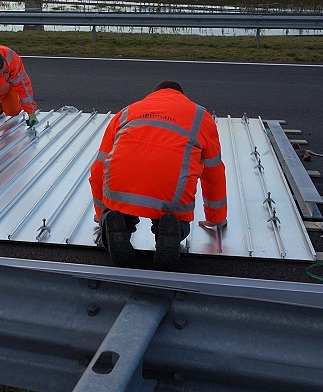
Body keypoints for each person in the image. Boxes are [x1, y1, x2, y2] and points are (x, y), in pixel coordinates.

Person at [89, 81, 226, 270]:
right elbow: (213, 172)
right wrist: (216, 217)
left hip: (121, 187)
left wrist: (101, 214)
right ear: (182, 95)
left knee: (116, 212)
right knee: (173, 215)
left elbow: (98, 168)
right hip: (171, 193)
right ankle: (171, 229)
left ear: (153, 94)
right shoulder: (201, 116)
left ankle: (113, 224)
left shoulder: (128, 111)